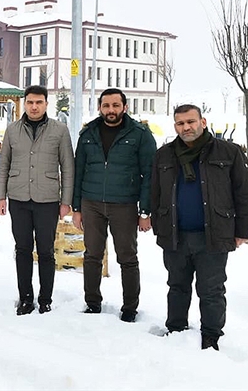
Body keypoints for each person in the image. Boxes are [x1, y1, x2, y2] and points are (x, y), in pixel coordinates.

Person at [150, 104, 248, 351]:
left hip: (214, 234)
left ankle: (211, 335)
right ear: (175, 126)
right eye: (180, 123)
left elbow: (246, 193)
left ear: (203, 122)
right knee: (177, 286)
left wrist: (243, 230)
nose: (186, 127)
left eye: (191, 122)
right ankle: (175, 328)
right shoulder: (164, 155)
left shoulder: (229, 152)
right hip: (176, 235)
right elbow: (155, 193)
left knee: (211, 290)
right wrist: (159, 225)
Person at [72, 88, 157, 322]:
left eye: (115, 105)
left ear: (125, 107)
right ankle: (92, 302)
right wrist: (76, 208)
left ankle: (130, 307)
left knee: (127, 257)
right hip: (91, 203)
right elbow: (79, 170)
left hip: (125, 204)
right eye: (106, 106)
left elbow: (150, 175)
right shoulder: (88, 133)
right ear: (100, 108)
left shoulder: (140, 134)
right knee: (92, 255)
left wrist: (145, 211)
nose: (111, 110)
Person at [0, 86, 74, 315]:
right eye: (30, 102)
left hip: (47, 199)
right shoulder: (12, 130)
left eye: (38, 102)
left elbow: (68, 167)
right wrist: (1, 196)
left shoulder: (59, 130)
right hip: (19, 197)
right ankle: (26, 298)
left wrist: (65, 201)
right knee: (22, 249)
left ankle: (45, 299)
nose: (34, 106)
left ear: (46, 104)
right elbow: (4, 165)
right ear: (24, 103)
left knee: (46, 251)